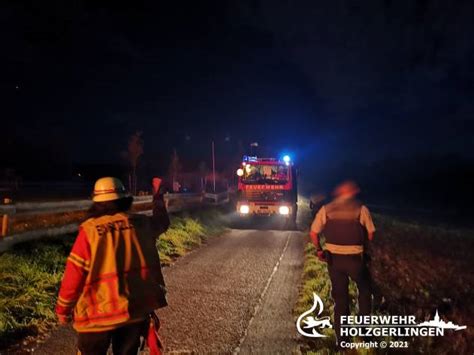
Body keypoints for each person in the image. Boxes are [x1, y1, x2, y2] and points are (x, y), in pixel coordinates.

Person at [56, 177, 168, 355]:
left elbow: (74, 274)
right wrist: (157, 194)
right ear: (125, 199)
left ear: (96, 203)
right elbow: (162, 221)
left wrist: (63, 309)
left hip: (95, 317)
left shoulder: (90, 231)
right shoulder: (141, 224)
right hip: (133, 312)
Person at [309, 180, 375, 346]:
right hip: (355, 259)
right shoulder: (361, 209)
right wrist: (365, 247)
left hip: (334, 260)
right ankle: (364, 332)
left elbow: (313, 233)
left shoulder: (327, 209)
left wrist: (319, 250)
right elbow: (371, 233)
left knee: (340, 299)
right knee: (365, 291)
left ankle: (342, 339)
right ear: (352, 193)